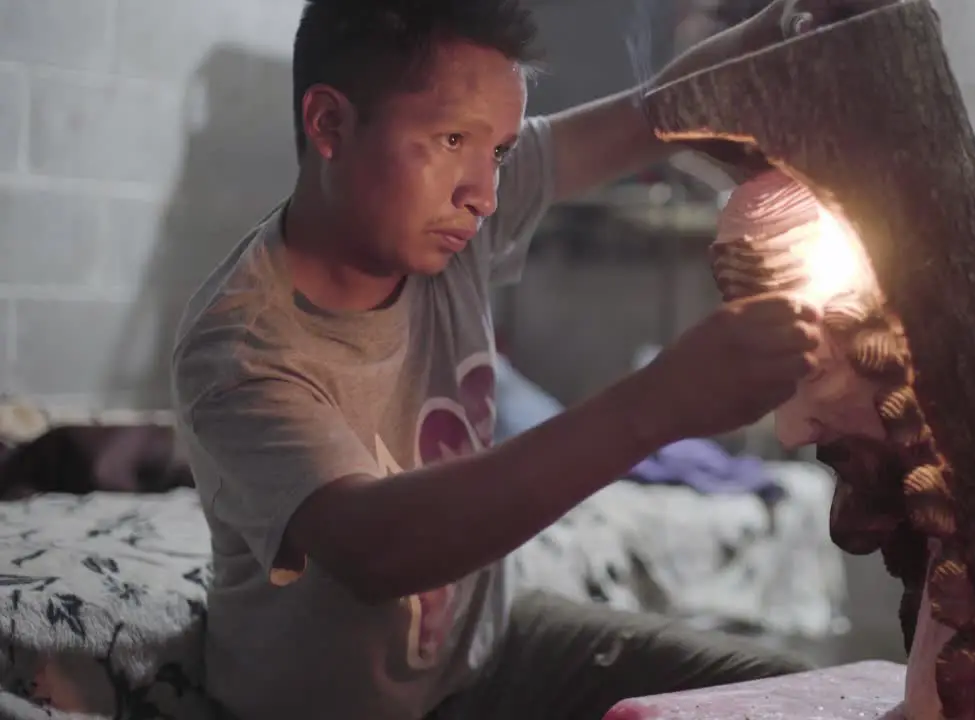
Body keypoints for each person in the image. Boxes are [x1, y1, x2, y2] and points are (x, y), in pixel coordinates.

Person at [171, 1, 876, 718]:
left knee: (788, 694)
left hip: (486, 655)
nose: (484, 195)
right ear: (329, 124)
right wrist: (660, 402)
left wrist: (794, 18)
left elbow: (653, 113)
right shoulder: (239, 347)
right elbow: (375, 550)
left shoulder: (447, 217)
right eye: (451, 139)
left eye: (501, 151)